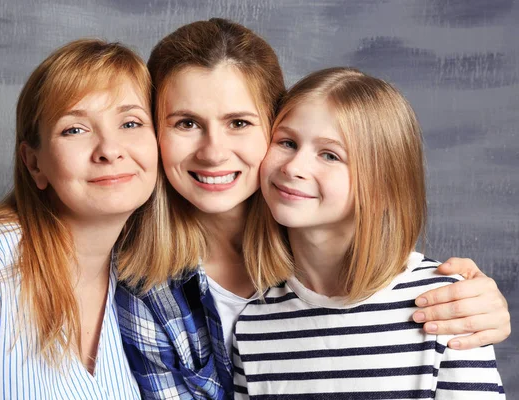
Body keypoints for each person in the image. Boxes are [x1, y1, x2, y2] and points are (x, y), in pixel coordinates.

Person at [116, 19, 511, 400]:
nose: (214, 152)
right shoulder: (149, 293)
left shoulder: (432, 302)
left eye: (238, 122)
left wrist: (473, 300)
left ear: (273, 121)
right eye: (186, 123)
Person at [232, 67, 505, 399]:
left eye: (330, 155)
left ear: (382, 183)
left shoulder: (447, 307)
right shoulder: (253, 325)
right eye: (287, 142)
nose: (293, 167)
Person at [0, 39, 163, 399]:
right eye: (75, 129)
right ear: (34, 163)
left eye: (130, 122)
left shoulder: (144, 284)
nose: (110, 150)